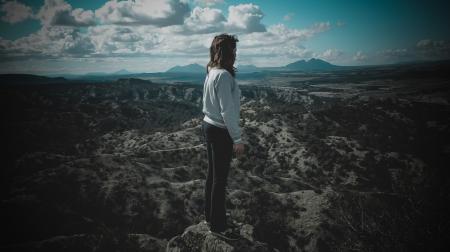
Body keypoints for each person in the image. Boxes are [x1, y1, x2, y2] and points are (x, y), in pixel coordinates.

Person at [200, 33, 244, 240]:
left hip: (209, 125)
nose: (235, 54)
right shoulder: (224, 76)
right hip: (220, 130)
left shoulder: (211, 71)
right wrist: (237, 139)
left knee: (212, 176)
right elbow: (227, 111)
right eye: (233, 50)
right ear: (226, 52)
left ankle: (210, 216)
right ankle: (218, 227)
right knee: (220, 180)